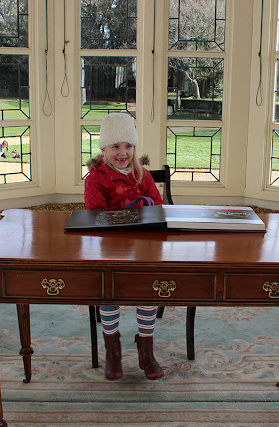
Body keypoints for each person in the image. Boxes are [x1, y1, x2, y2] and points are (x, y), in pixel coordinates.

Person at [84, 113, 164, 381]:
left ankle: (146, 348)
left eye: (128, 146)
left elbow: (157, 207)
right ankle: (113, 350)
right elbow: (94, 215)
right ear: (104, 149)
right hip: (111, 248)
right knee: (110, 294)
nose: (122, 153)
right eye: (115, 146)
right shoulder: (95, 179)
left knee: (147, 291)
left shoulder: (143, 175)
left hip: (143, 247)